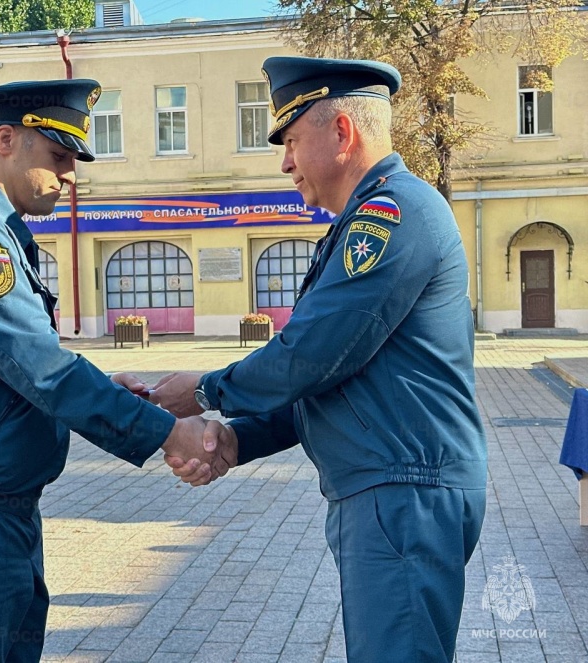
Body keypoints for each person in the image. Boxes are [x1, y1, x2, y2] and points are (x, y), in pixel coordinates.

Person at [0, 79, 234, 663]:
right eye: (59, 157)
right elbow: (41, 368)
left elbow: (14, 369)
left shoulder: (3, 234)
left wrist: (109, 391)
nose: (71, 176)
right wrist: (167, 432)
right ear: (6, 140)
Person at [152, 57, 487, 663]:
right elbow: (332, 380)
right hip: (390, 489)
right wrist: (234, 440)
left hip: (403, 491)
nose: (283, 162)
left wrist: (205, 393)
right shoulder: (369, 218)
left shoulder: (391, 215)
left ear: (342, 132)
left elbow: (311, 354)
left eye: (291, 140)